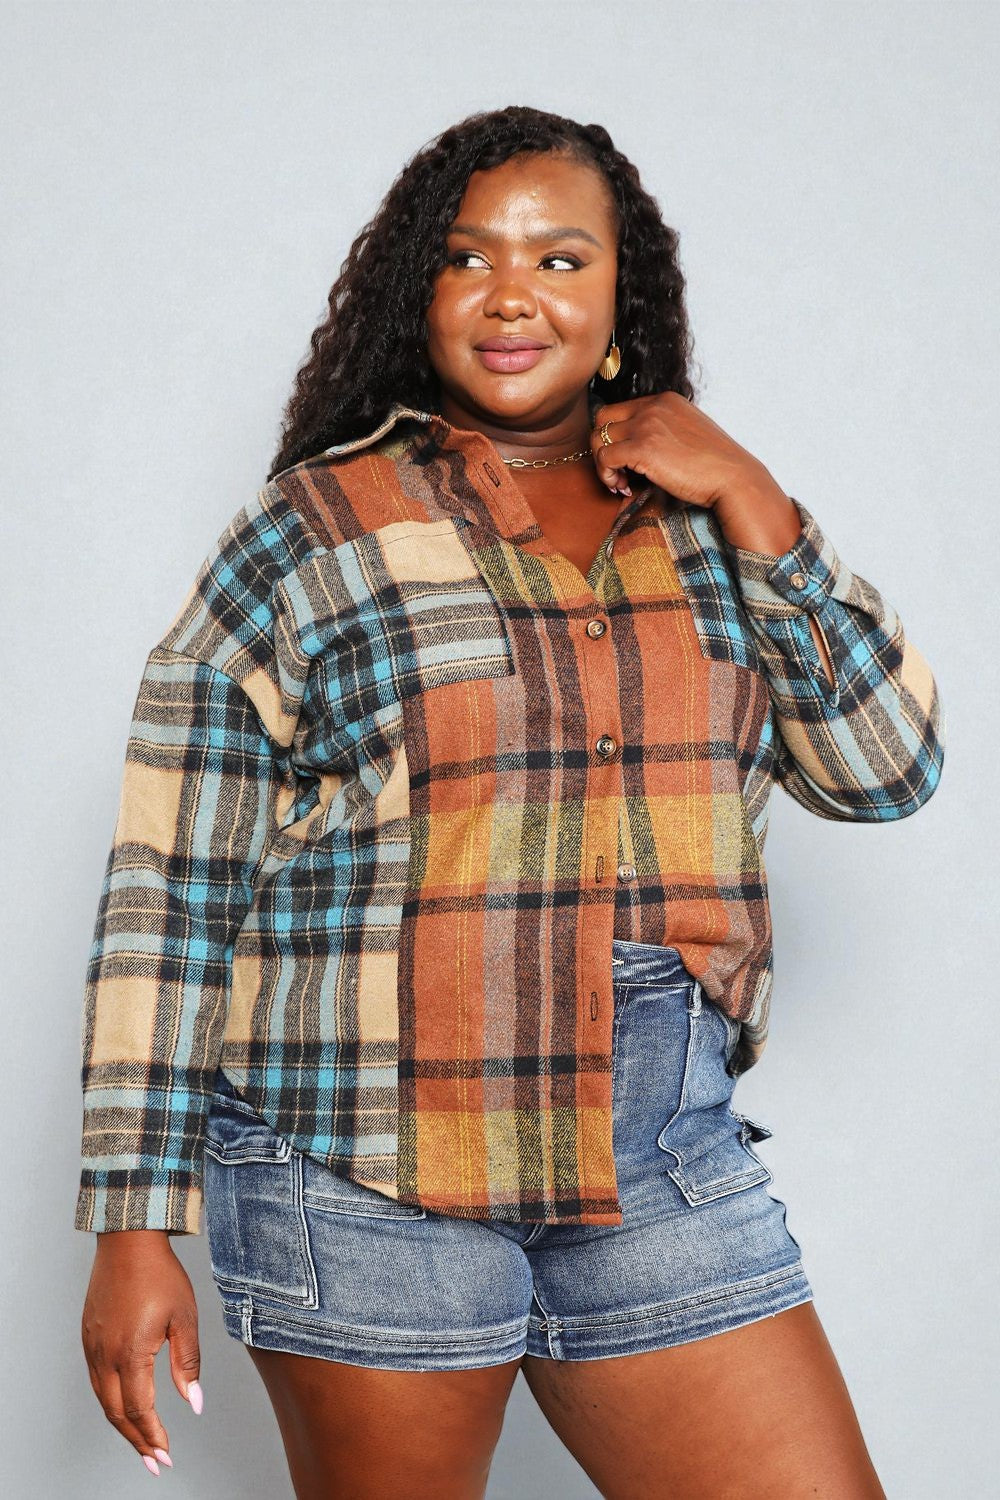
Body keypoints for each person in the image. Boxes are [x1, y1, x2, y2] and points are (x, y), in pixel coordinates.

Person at [77, 105, 944, 1498]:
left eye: (559, 258)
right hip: (362, 1166)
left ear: (620, 301)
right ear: (421, 295)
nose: (512, 295)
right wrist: (133, 1224)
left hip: (658, 1162)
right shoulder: (315, 529)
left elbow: (888, 769)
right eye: (470, 257)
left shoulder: (713, 527)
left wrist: (763, 507)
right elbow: (171, 891)